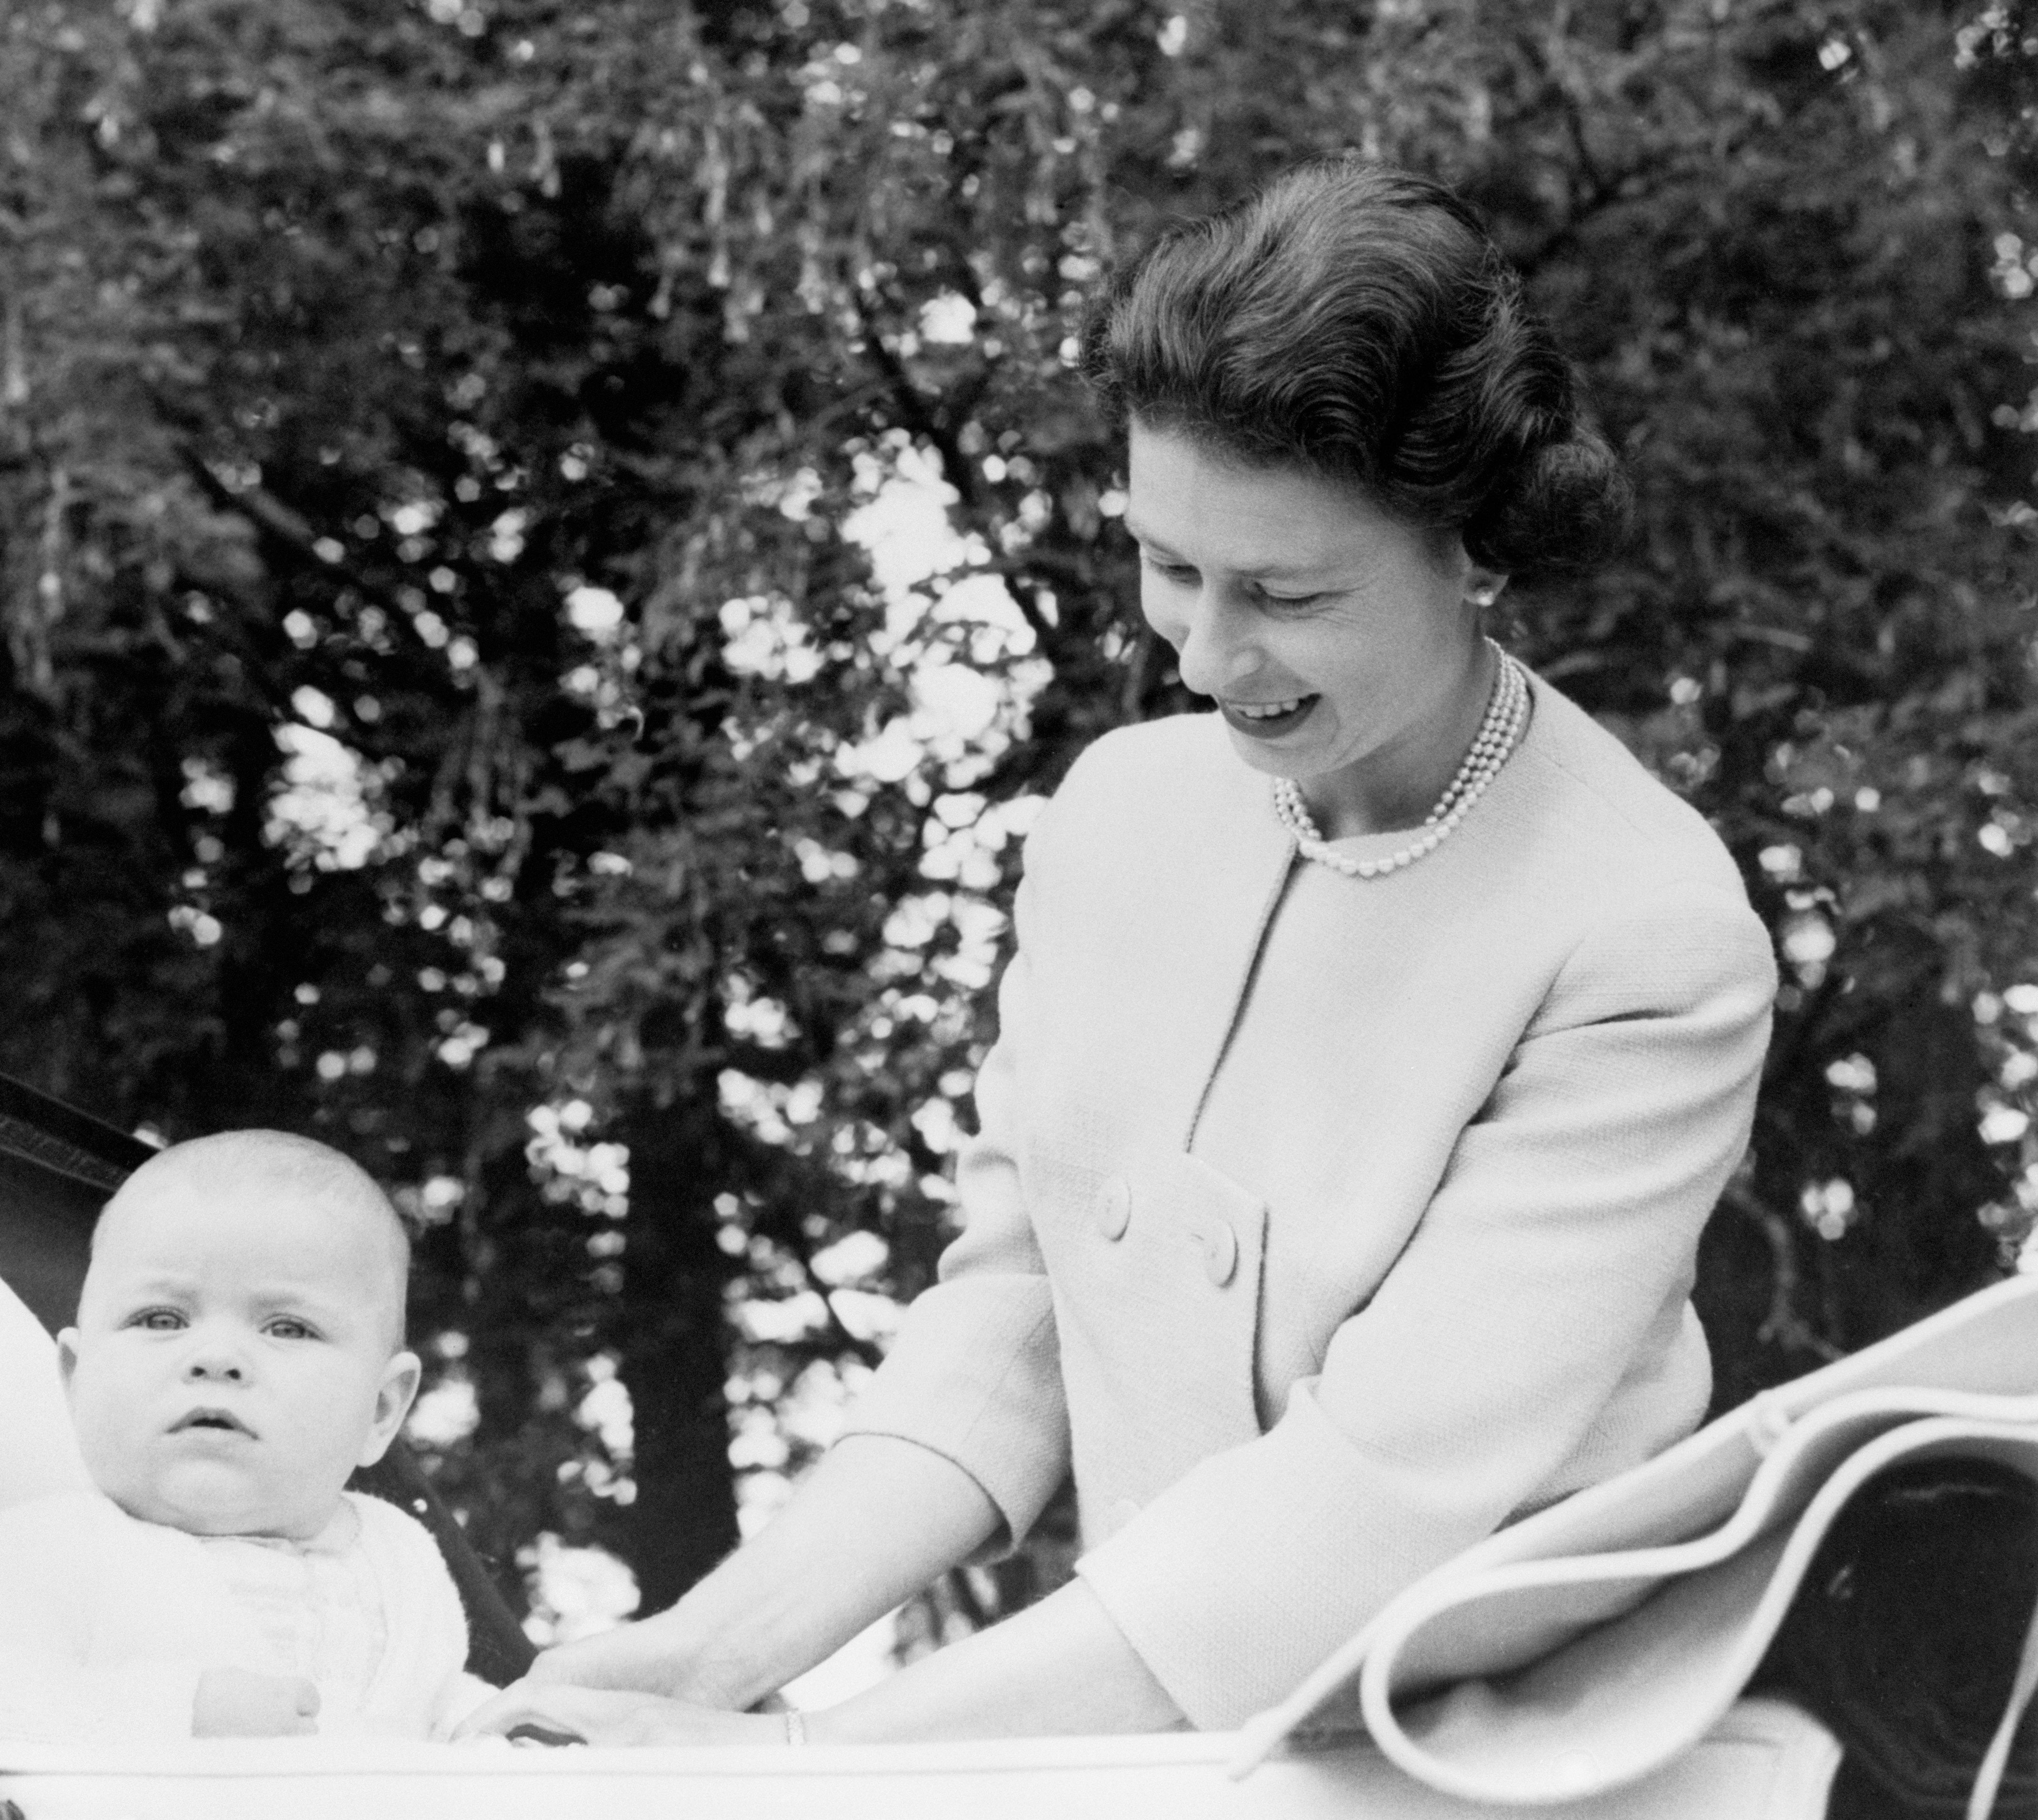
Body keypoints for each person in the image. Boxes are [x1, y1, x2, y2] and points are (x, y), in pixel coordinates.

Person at [470, 157, 1778, 1747]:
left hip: (1501, 1756)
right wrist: (713, 1652)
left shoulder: (1649, 934)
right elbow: (1021, 1309)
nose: (1211, 657)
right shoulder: (1117, 815)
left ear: (1479, 548)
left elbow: (1374, 1500)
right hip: (1128, 1728)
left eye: (1288, 592)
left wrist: (809, 1768)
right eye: (1171, 568)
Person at [0, 1130, 499, 1744]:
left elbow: (434, 1705)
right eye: (161, 1319)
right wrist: (175, 1712)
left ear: (381, 1411)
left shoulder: (401, 1559)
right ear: (76, 1379)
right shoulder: (45, 1554)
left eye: (288, 1327)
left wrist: (491, 1728)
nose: (217, 1358)